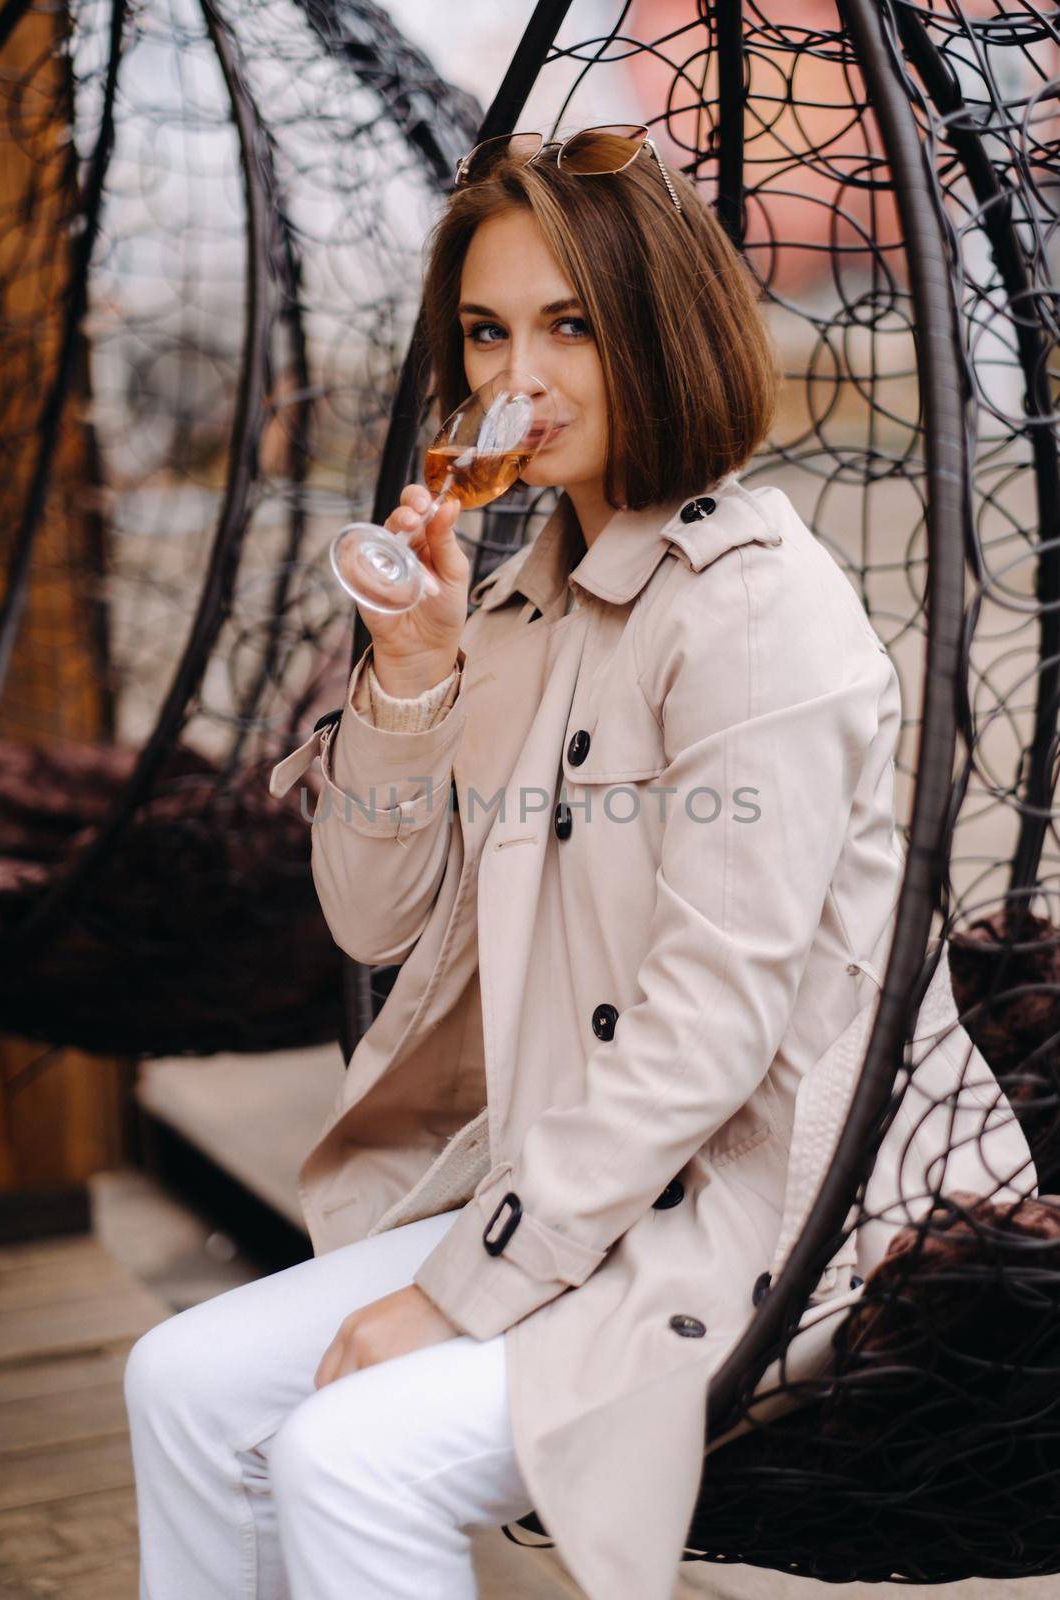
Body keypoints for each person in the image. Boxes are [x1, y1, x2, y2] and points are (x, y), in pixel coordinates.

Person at [122, 127, 1031, 1600]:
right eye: (486, 332)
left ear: (660, 336)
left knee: (347, 1456)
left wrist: (461, 1293)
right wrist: (411, 669)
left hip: (777, 1215)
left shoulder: (753, 613)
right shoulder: (526, 608)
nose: (514, 381)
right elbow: (371, 915)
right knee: (180, 1381)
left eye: (569, 326)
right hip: (579, 1181)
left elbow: (709, 1029)